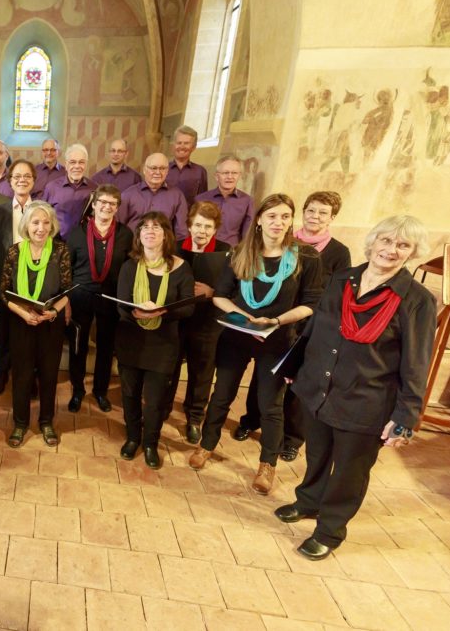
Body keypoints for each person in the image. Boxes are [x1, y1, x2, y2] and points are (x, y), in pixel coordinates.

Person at [276, 215, 435, 561]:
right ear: (373, 241)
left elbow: (417, 361)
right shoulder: (343, 278)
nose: (391, 250)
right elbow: (316, 326)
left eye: (403, 245)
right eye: (386, 240)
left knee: (349, 471)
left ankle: (329, 531)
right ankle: (309, 501)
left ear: (412, 252)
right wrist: (294, 366)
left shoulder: (417, 300)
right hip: (320, 387)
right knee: (317, 453)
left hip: (367, 400)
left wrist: (406, 415)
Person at [188, 194, 322, 495]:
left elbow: (312, 303)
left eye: (285, 216)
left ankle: (267, 464)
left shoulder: (306, 256)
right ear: (259, 219)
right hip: (237, 336)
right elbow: (221, 295)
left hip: (277, 339)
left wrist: (276, 321)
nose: (279, 222)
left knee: (270, 404)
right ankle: (206, 445)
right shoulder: (241, 252)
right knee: (221, 395)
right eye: (272, 216)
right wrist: (245, 317)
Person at [233, 190, 352, 458]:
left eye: (323, 213)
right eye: (311, 210)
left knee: (296, 382)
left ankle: (292, 438)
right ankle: (252, 420)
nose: (315, 216)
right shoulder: (283, 243)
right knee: (265, 378)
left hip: (309, 325)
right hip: (277, 323)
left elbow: (338, 292)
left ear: (332, 218)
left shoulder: (338, 252)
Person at [115, 213, 195, 468]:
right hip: (132, 340)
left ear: (166, 235)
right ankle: (132, 437)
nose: (150, 231)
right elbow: (121, 304)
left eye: (156, 227)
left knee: (155, 400)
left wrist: (163, 312)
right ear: (138, 235)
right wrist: (136, 312)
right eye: (145, 227)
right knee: (130, 394)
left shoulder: (181, 267)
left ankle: (150, 443)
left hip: (163, 344)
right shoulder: (129, 266)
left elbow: (188, 307)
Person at [0, 202, 72, 448]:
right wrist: (23, 313)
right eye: (35, 222)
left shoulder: (60, 251)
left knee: (49, 375)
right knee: (21, 376)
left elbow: (67, 291)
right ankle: (20, 423)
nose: (41, 228)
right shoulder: (14, 252)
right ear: (26, 225)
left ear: (52, 226)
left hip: (50, 323)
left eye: (45, 222)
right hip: (21, 323)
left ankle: (46, 422)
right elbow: (3, 293)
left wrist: (53, 312)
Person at [161, 201, 231, 443]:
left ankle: (194, 416)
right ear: (189, 226)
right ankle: (163, 408)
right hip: (177, 320)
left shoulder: (225, 251)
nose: (202, 231)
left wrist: (212, 292)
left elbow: (233, 287)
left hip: (208, 321)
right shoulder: (175, 248)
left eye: (208, 227)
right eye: (198, 225)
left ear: (215, 229)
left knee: (201, 372)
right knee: (169, 367)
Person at [65, 184, 133, 414]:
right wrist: (67, 299)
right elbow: (68, 268)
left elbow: (129, 268)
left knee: (106, 346)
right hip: (80, 295)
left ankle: (100, 391)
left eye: (112, 203)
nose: (106, 207)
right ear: (93, 205)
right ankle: (77, 390)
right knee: (78, 345)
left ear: (117, 208)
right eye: (102, 202)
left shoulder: (125, 234)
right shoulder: (77, 233)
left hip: (111, 297)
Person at [0, 160, 37, 395]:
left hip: (35, 280)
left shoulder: (42, 210)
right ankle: (1, 373)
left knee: (31, 331)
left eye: (27, 176)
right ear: (10, 181)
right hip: (6, 282)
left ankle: (30, 375)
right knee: (5, 331)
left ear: (34, 180)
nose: (22, 180)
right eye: (17, 176)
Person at [117, 153, 189, 239]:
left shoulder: (177, 196)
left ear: (167, 171)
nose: (158, 172)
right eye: (153, 168)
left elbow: (181, 232)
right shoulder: (128, 194)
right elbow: (118, 226)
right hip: (132, 244)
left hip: (163, 245)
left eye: (162, 168)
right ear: (144, 170)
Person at [194, 156, 254, 246]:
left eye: (234, 173)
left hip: (232, 251)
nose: (230, 177)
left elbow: (247, 234)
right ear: (216, 176)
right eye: (225, 173)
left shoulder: (247, 201)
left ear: (239, 176)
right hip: (203, 249)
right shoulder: (200, 199)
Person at [43, 143, 95, 238]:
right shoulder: (51, 187)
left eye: (81, 162)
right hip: (56, 241)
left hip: (84, 242)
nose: (77, 166)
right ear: (66, 165)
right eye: (72, 162)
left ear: (86, 164)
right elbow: (43, 216)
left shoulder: (95, 189)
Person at [168, 125, 209, 205]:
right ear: (174, 145)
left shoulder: (200, 172)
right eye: (179, 143)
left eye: (186, 143)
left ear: (194, 147)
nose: (182, 146)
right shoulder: (162, 169)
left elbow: (202, 201)